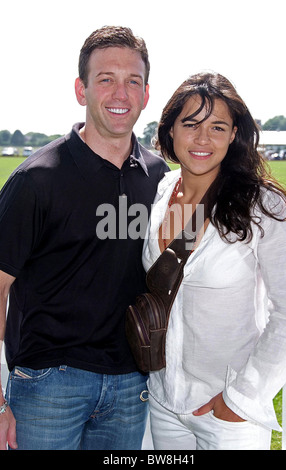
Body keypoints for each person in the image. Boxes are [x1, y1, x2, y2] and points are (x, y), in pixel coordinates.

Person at [0, 26, 169, 450]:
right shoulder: (36, 179)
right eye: (106, 79)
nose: (120, 93)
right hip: (47, 385)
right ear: (82, 90)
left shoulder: (161, 180)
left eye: (133, 81)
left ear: (146, 94)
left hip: (131, 385)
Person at [142, 72, 286, 450]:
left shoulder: (263, 205)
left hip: (227, 414)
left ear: (233, 135)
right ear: (171, 131)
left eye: (217, 127)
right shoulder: (161, 191)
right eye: (191, 124)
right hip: (164, 402)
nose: (202, 139)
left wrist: (240, 399)